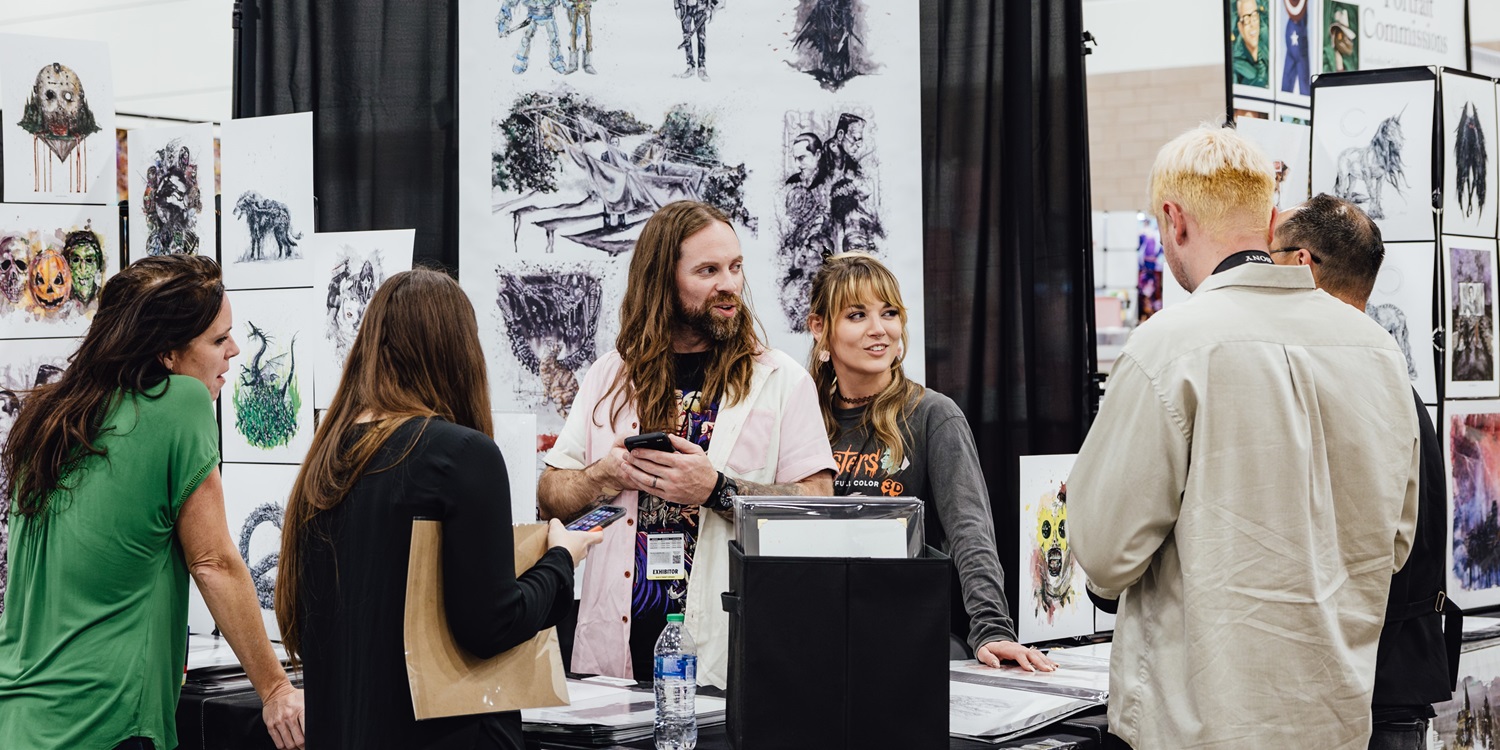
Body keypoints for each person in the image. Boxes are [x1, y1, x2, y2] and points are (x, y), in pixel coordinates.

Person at [1067, 125, 1420, 749]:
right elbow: (1393, 545)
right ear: (1271, 217)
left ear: (1174, 221)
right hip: (1334, 726)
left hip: (1199, 729)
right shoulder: (1380, 354)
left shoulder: (1170, 346)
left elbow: (1103, 553)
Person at [274, 268, 601, 749]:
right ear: (459, 351)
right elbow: (491, 625)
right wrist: (561, 559)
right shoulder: (462, 454)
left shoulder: (329, 454)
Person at [0, 254, 304, 750]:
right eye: (217, 339)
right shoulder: (179, 404)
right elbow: (214, 563)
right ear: (167, 354)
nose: (235, 350)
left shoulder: (51, 417)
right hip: (107, 721)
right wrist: (275, 690)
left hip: (20, 719)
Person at [539, 200, 837, 688]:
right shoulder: (611, 374)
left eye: (735, 267)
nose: (730, 284)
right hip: (614, 663)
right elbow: (551, 495)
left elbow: (819, 505)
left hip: (729, 659)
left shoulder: (781, 379)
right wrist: (604, 474)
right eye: (708, 270)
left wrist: (717, 490)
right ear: (664, 279)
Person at [806, 252, 1057, 673]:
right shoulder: (804, 416)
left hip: (905, 640)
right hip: (816, 639)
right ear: (819, 328)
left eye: (889, 313)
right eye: (856, 315)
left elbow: (970, 531)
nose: (878, 330)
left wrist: (992, 629)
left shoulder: (931, 416)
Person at [1270, 194, 1459, 749]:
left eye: (1268, 255)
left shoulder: (1339, 384)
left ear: (1300, 264)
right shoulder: (1388, 382)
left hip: (1366, 692)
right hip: (1390, 683)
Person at [1232, 0, 1268, 87]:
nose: (1252, 24)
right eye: (1247, 19)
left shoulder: (1267, 48)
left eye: (1255, 16)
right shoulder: (1236, 66)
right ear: (1240, 27)